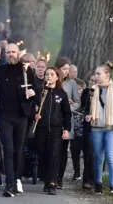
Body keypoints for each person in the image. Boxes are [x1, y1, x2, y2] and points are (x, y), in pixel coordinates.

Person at [0, 43, 36, 197]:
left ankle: (16, 179)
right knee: (8, 148)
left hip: (22, 116)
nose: (11, 54)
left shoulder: (26, 70)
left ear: (18, 53)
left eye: (13, 52)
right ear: (4, 54)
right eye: (8, 52)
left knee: (19, 150)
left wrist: (33, 93)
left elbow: (36, 91)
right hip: (5, 115)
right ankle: (10, 184)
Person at [85, 62, 113, 195]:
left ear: (107, 75)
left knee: (110, 156)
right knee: (98, 158)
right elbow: (87, 109)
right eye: (95, 73)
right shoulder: (92, 90)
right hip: (96, 127)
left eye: (98, 73)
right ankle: (98, 184)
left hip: (111, 128)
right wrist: (88, 116)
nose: (95, 76)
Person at [34, 67, 72, 195]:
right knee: (42, 153)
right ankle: (46, 179)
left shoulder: (61, 94)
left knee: (54, 155)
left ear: (57, 77)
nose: (48, 77)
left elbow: (67, 113)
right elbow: (32, 108)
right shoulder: (39, 92)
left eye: (51, 74)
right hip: (41, 128)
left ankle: (52, 183)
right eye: (46, 75)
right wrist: (35, 114)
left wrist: (66, 129)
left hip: (56, 129)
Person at [54, 57, 81, 189]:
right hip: (53, 119)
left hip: (66, 120)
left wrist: (67, 108)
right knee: (52, 149)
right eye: (64, 69)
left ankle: (59, 178)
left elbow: (77, 102)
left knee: (63, 150)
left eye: (67, 69)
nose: (66, 71)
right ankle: (50, 175)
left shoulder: (72, 84)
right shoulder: (52, 80)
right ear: (58, 68)